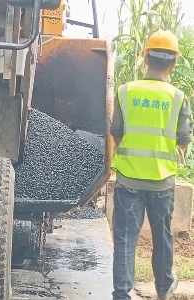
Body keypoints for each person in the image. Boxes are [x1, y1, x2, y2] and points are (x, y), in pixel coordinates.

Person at [110, 29, 193, 300]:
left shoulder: (126, 92)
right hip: (162, 182)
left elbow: (116, 132)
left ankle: (122, 294)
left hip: (128, 181)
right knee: (162, 237)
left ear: (146, 58)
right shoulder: (178, 98)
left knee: (125, 239)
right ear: (173, 63)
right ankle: (164, 287)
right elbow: (183, 139)